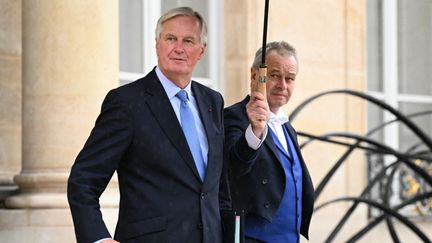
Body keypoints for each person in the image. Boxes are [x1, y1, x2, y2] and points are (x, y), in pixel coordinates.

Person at [68, 7, 229, 243]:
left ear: (201, 50)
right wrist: (98, 238)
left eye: (188, 40)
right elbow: (83, 180)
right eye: (170, 38)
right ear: (157, 44)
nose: (179, 48)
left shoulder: (212, 102)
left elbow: (217, 186)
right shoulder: (127, 103)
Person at [224, 41, 315, 243]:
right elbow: (233, 165)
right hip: (251, 237)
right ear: (255, 75)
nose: (283, 85)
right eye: (274, 75)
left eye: (289, 78)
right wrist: (255, 129)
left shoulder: (287, 127)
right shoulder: (233, 117)